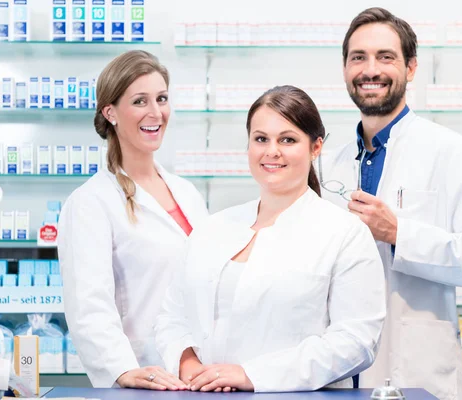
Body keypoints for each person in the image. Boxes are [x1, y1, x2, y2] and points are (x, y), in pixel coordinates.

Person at [320, 7, 462, 400]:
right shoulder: (328, 162)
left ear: (411, 67)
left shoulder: (449, 151)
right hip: (335, 376)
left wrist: (399, 233)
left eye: (385, 57)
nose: (371, 70)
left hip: (416, 372)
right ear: (344, 68)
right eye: (359, 57)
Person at [154, 85, 386, 393]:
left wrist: (251, 375)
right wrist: (188, 364)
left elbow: (356, 341)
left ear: (316, 147)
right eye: (260, 139)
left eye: (287, 140)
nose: (271, 151)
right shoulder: (213, 228)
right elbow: (172, 314)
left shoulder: (343, 233)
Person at [58, 50, 208, 390]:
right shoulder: (90, 203)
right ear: (110, 112)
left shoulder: (187, 193)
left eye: (162, 98)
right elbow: (88, 305)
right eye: (140, 101)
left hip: (199, 374)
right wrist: (122, 369)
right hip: (146, 377)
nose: (156, 113)